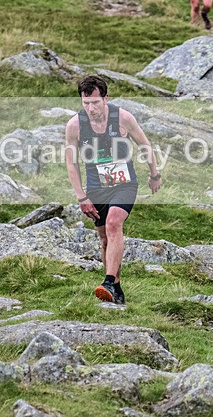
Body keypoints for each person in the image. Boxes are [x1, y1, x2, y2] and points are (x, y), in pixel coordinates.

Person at [65, 75, 163, 304]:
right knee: (105, 239)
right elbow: (71, 163)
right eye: (85, 103)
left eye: (95, 103)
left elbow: (144, 145)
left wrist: (154, 174)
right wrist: (81, 196)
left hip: (125, 184)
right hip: (96, 187)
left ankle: (108, 280)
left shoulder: (123, 118)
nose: (91, 108)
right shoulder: (75, 126)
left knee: (114, 223)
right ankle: (116, 288)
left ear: (106, 98)